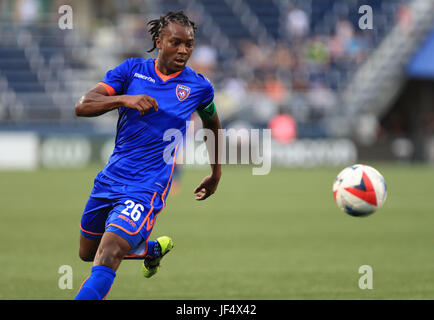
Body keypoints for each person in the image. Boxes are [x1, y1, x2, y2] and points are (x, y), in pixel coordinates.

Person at [73, 11, 222, 300]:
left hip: (147, 187)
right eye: (175, 43)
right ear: (158, 41)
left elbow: (212, 123)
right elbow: (82, 105)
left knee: (108, 253)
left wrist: (216, 173)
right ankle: (152, 249)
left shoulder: (198, 87)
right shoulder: (130, 71)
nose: (183, 51)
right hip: (110, 178)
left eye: (189, 44)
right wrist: (123, 98)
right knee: (87, 253)